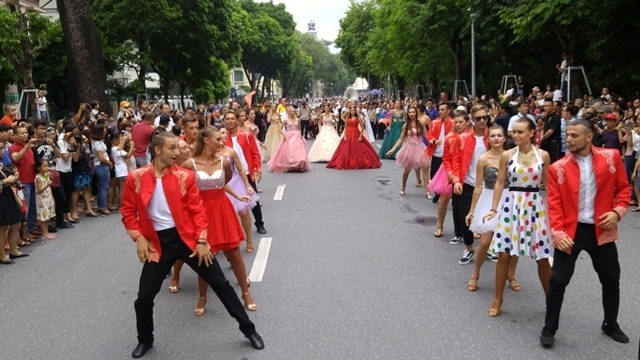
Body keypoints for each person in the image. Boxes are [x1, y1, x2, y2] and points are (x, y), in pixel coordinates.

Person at [120, 132, 264, 359]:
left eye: (178, 148)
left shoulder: (184, 177)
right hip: (158, 244)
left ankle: (249, 330)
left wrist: (202, 241)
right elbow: (128, 211)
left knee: (222, 285)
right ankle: (145, 340)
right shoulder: (135, 177)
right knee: (144, 298)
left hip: (187, 239)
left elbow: (198, 211)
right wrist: (138, 237)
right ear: (157, 150)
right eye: (172, 148)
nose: (177, 153)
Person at [540, 119, 631, 348]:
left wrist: (617, 213)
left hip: (602, 229)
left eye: (574, 135)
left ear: (589, 137)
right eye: (567, 135)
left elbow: (624, 189)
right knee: (558, 280)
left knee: (611, 279)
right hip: (572, 230)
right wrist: (558, 234)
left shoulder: (612, 157)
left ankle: (610, 323)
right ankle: (549, 327)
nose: (568, 139)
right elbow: (554, 204)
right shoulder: (557, 168)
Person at [171, 127, 257, 316]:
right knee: (205, 258)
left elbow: (222, 183)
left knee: (235, 255)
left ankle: (245, 293)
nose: (222, 142)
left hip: (222, 210)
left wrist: (237, 195)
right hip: (201, 213)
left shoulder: (224, 163)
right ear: (206, 140)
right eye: (218, 139)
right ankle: (202, 297)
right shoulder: (188, 165)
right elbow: (180, 192)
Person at [483, 117, 552, 317]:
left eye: (521, 132)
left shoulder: (543, 156)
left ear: (532, 132)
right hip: (511, 205)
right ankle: (498, 298)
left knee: (541, 257)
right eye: (514, 131)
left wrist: (555, 215)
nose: (516, 135)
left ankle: (551, 301)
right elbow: (500, 182)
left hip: (534, 207)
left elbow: (549, 186)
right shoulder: (507, 155)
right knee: (504, 254)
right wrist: (494, 208)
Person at [465, 126, 519, 291]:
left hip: (510, 199)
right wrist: (472, 211)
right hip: (488, 200)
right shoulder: (484, 159)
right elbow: (478, 187)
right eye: (493, 136)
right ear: (488, 139)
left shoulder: (514, 156)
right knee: (485, 241)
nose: (496, 138)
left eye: (499, 136)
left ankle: (511, 274)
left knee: (513, 242)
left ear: (504, 138)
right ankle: (475, 274)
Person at [450, 105, 490, 264]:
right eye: (478, 118)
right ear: (472, 120)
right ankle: (469, 249)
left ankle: (487, 249)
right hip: (468, 183)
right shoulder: (463, 138)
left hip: (489, 186)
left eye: (485, 117)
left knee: (489, 219)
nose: (482, 121)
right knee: (464, 218)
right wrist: (456, 180)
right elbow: (456, 161)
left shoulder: (493, 136)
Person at [223, 110, 267, 235]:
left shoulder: (246, 136)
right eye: (228, 119)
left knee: (253, 199)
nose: (230, 121)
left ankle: (259, 224)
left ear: (237, 120)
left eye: (232, 118)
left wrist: (257, 168)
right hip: (229, 174)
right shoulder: (222, 138)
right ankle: (230, 229)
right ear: (225, 121)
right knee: (228, 201)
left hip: (246, 172)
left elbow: (254, 153)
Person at [386, 106, 429, 196]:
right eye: (410, 112)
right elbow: (401, 139)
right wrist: (392, 149)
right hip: (409, 148)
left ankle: (427, 190)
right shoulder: (405, 125)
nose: (412, 114)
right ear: (407, 114)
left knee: (425, 167)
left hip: (420, 147)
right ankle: (403, 186)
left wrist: (434, 143)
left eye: (413, 112)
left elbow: (427, 136)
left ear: (416, 113)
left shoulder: (420, 123)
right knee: (407, 170)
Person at [0, 163, 29, 264]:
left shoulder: (1, 165)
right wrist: (5, 181)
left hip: (8, 195)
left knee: (16, 223)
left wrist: (11, 180)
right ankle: (2, 255)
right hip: (1, 199)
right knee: (2, 227)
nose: (2, 151)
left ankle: (14, 251)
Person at [267, 106, 310, 172]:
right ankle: (290, 164)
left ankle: (299, 164)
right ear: (289, 112)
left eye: (294, 111)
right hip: (288, 135)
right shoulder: (286, 120)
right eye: (291, 111)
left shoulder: (297, 120)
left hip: (296, 135)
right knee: (288, 150)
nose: (293, 113)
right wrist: (284, 135)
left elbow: (299, 128)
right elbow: (279, 128)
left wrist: (300, 134)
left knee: (298, 149)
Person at [34, 158, 56, 240]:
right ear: (39, 168)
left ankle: (47, 232)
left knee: (47, 216)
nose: (47, 168)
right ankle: (44, 233)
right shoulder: (38, 178)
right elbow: (39, 190)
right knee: (43, 217)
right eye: (44, 166)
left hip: (47, 197)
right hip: (42, 200)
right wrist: (47, 185)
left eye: (47, 166)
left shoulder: (46, 175)